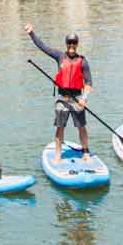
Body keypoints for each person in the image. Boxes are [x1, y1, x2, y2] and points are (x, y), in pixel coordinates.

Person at [26, 23, 92, 163]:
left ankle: (86, 152)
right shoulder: (59, 56)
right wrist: (32, 33)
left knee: (81, 127)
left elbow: (89, 83)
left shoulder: (83, 61)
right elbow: (43, 47)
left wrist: (84, 98)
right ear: (66, 44)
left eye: (74, 43)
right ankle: (58, 155)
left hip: (77, 98)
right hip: (62, 98)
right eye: (69, 43)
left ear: (77, 44)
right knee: (60, 127)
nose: (71, 45)